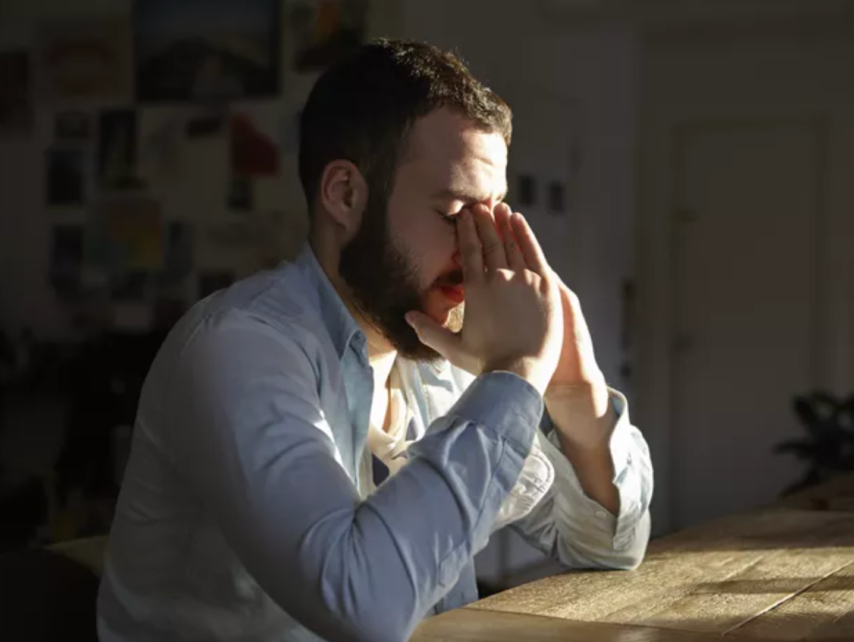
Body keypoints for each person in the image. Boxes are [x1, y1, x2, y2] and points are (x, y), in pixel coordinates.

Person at [98, 39, 653, 642]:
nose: (479, 251)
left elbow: (603, 545)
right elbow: (361, 605)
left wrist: (574, 394)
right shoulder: (235, 350)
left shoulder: (442, 352)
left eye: (491, 215)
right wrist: (517, 375)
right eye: (454, 213)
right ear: (345, 194)